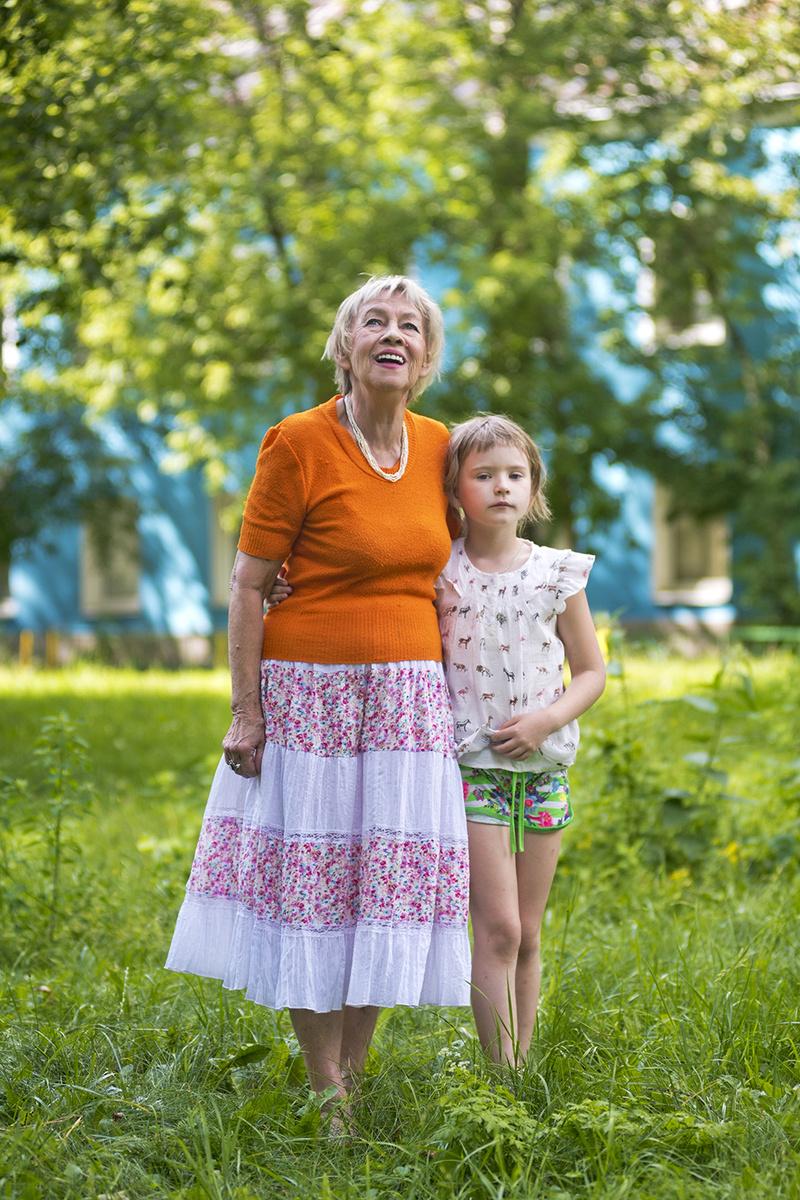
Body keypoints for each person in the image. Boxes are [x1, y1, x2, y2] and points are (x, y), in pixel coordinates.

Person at [166, 275, 471, 1128]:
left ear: (426, 358)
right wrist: (245, 709)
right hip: (312, 699)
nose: (393, 334)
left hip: (410, 703)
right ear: (344, 347)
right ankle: (323, 1087)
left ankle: (355, 1076)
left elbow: (470, 557)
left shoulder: (440, 446)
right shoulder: (297, 442)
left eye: (410, 326)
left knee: (385, 886)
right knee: (316, 884)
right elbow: (248, 584)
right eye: (374, 321)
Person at [437, 415, 605, 1065]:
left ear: (533, 488)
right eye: (483, 475)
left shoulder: (557, 573)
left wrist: (545, 720)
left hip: (544, 768)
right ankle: (498, 1075)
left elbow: (591, 672)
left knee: (529, 932)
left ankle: (520, 1072)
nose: (501, 486)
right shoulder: (441, 573)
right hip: (473, 768)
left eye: (515, 474)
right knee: (498, 927)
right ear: (455, 491)